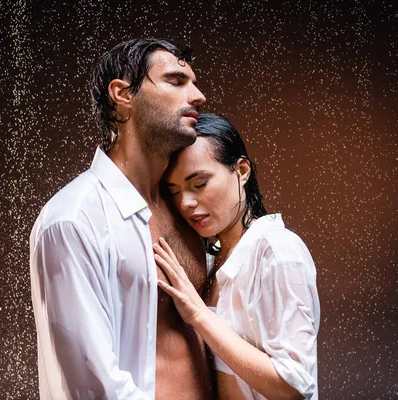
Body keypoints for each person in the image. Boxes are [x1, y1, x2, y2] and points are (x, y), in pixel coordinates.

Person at [29, 38, 215, 399]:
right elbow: (94, 384)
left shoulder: (192, 212)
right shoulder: (74, 220)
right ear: (122, 94)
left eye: (193, 82)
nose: (198, 96)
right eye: (177, 81)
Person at [154, 113, 320, 400]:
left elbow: (294, 386)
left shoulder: (277, 252)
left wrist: (199, 315)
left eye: (199, 183)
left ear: (242, 170)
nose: (186, 203)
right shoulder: (210, 259)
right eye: (175, 192)